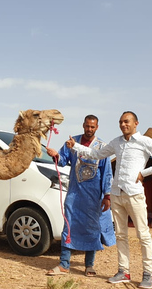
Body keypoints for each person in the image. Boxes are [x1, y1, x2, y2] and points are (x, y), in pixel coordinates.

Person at [66, 111, 152, 289]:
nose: (123, 125)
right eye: (121, 122)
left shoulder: (145, 142)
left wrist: (144, 173)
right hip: (117, 194)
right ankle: (123, 271)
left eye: (127, 122)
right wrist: (75, 146)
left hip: (134, 194)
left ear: (136, 123)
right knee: (121, 235)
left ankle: (148, 274)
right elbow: (96, 154)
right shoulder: (116, 142)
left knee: (143, 235)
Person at [45, 115, 116, 277]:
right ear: (83, 125)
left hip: (93, 196)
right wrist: (55, 155)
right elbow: (62, 160)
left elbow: (106, 173)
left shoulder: (102, 147)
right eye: (87, 126)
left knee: (92, 229)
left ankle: (89, 265)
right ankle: (64, 264)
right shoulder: (71, 142)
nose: (89, 129)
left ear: (97, 127)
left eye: (92, 127)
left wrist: (107, 196)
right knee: (69, 226)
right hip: (75, 194)